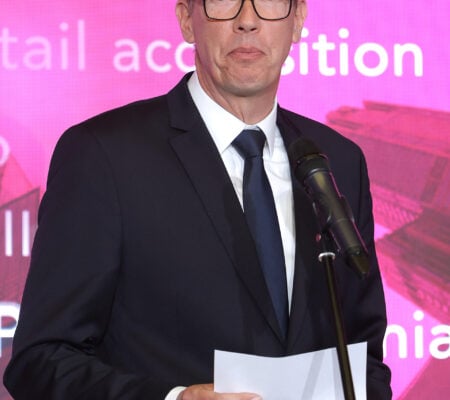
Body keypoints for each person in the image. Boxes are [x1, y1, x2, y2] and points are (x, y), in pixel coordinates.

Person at [3, 0, 392, 399]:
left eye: (269, 3)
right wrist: (173, 398)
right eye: (224, 3)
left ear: (297, 21)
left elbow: (365, 358)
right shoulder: (104, 155)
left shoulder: (337, 160)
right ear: (187, 20)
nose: (247, 21)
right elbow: (41, 360)